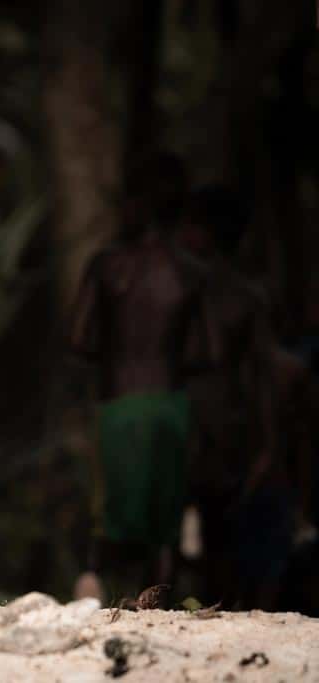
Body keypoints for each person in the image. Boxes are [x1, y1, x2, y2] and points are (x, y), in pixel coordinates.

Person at [69, 155, 210, 603]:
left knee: (106, 514)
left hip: (119, 403)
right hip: (170, 405)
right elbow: (206, 351)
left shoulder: (108, 266)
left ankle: (92, 589)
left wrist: (120, 344)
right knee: (164, 522)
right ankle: (159, 604)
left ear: (135, 206)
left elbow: (79, 337)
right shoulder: (191, 272)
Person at [178, 187, 282, 609]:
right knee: (199, 524)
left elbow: (261, 373)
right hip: (203, 415)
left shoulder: (230, 294)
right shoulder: (191, 284)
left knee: (216, 523)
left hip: (216, 419)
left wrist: (269, 441)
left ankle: (213, 604)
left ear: (206, 233)